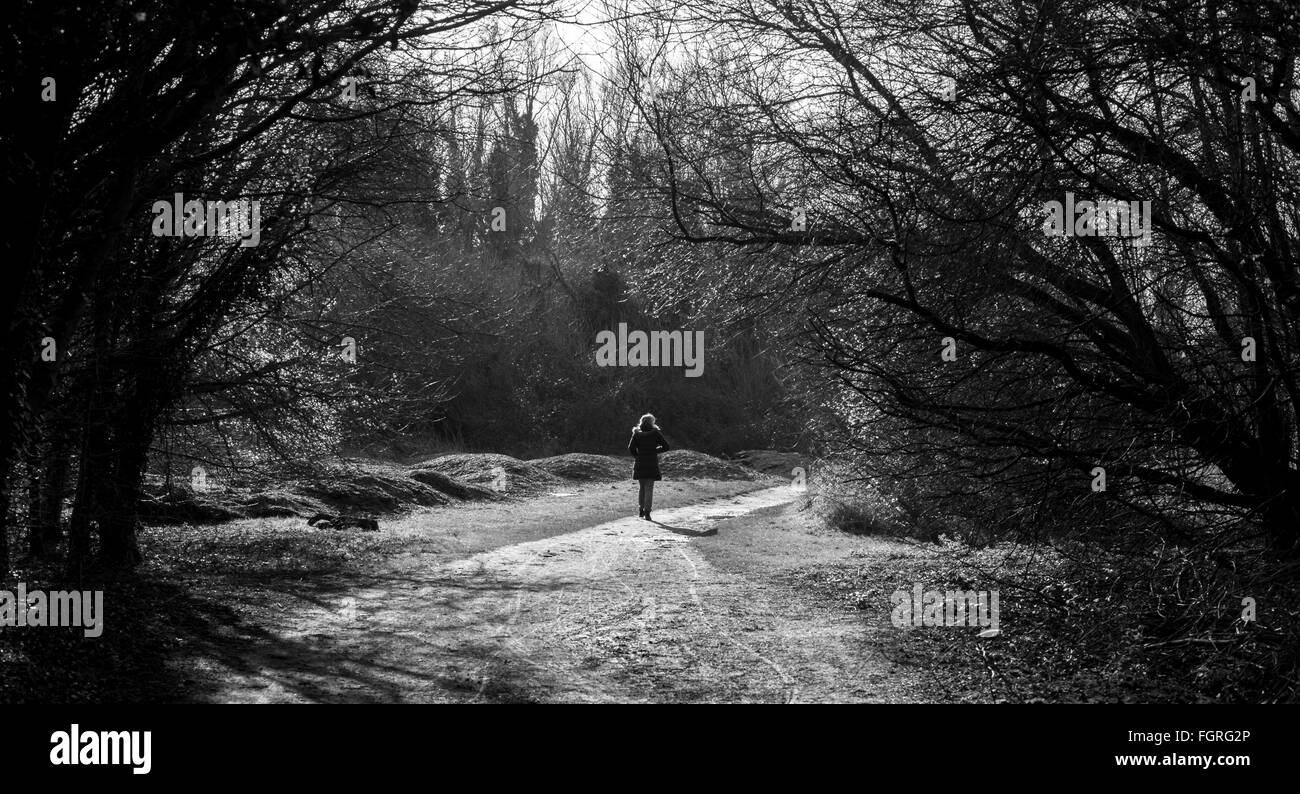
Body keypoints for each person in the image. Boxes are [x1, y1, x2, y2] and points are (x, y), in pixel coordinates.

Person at [628, 413, 670, 521]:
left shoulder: (636, 434)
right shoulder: (655, 433)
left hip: (640, 462)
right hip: (651, 462)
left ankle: (641, 510)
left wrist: (637, 456)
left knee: (642, 488)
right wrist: (655, 450)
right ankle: (647, 512)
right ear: (652, 422)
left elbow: (631, 448)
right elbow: (666, 446)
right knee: (649, 488)